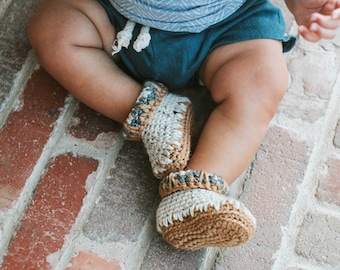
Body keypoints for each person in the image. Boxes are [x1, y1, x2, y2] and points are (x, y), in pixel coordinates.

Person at [28, 0, 340, 250]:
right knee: (53, 28)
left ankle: (199, 190)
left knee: (264, 81)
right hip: (119, 20)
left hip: (227, 25)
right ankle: (152, 112)